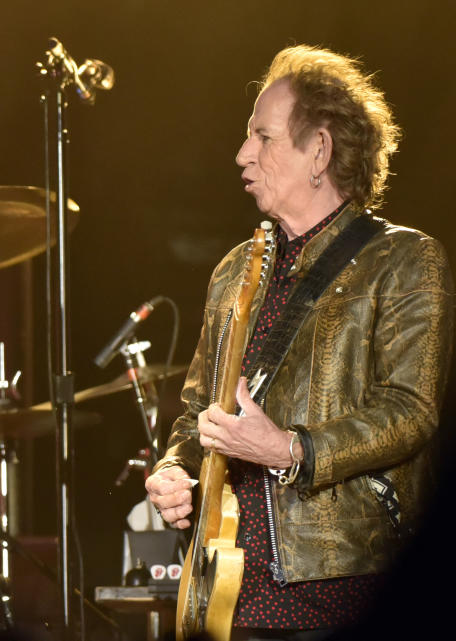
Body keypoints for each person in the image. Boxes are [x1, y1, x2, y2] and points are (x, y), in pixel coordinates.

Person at [145, 45, 454, 639]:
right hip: (227, 587)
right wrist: (172, 468)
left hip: (345, 584)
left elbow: (410, 411)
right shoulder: (235, 271)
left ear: (319, 149)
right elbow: (194, 412)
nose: (242, 155)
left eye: (262, 137)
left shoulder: (405, 260)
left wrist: (290, 449)